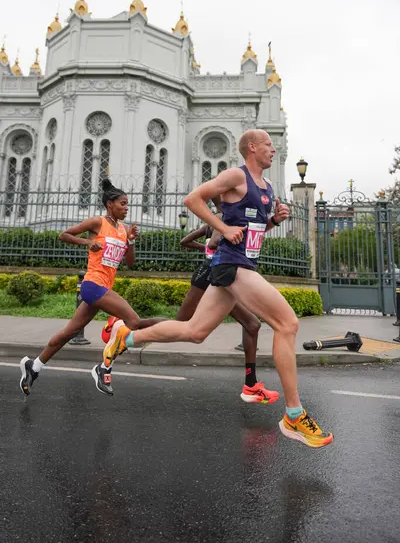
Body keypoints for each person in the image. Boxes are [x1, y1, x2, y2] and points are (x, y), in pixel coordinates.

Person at [96, 130, 333, 448]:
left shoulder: (267, 188)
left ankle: (128, 336)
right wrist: (221, 227)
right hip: (230, 265)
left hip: (240, 266)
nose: (273, 149)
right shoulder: (236, 175)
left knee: (194, 331)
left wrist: (274, 220)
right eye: (267, 145)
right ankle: (294, 415)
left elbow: (252, 231)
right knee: (287, 323)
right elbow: (192, 199)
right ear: (252, 148)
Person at [19, 178, 165, 397]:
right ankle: (103, 367)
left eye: (128, 204)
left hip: (103, 289)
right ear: (110, 205)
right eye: (122, 204)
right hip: (92, 285)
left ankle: (34, 366)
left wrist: (131, 242)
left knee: (68, 333)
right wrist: (87, 242)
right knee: (133, 321)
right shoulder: (97, 223)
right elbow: (64, 235)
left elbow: (130, 263)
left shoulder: (124, 229)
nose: (126, 208)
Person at [177, 196, 278, 404]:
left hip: (221, 274)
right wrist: (219, 241)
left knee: (251, 324)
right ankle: (129, 330)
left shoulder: (218, 219)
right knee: (180, 324)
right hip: (211, 274)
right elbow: (213, 242)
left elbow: (187, 241)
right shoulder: (222, 217)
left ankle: (251, 383)